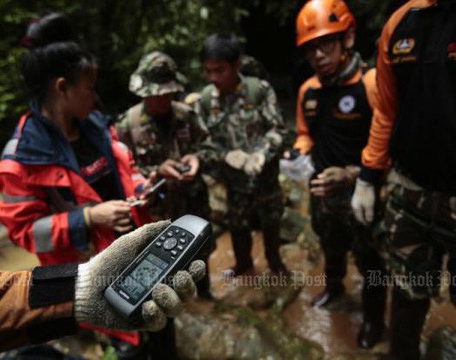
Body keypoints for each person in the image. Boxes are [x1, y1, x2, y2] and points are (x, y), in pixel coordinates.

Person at [0, 13, 170, 359]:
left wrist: (140, 187)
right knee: (125, 341)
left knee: (162, 322)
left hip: (139, 253)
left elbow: (124, 170)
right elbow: (25, 232)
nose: (95, 95)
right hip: (91, 276)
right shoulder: (19, 161)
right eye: (89, 87)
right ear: (62, 88)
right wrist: (89, 219)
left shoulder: (97, 127)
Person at [0, 220, 206, 358]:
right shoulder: (24, 155)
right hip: (64, 262)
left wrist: (78, 289)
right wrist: (88, 215)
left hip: (72, 282)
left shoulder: (96, 127)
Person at [351, 1, 456, 359]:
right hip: (409, 189)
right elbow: (387, 108)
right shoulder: (401, 23)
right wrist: (368, 175)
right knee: (408, 290)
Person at [291, 0, 387, 349]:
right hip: (322, 193)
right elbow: (305, 133)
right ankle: (334, 289)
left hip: (365, 192)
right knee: (330, 246)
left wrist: (350, 175)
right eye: (311, 48)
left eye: (325, 43)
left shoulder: (373, 83)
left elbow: (390, 144)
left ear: (347, 38)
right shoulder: (309, 91)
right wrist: (299, 151)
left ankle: (375, 321)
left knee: (372, 261)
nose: (318, 55)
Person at [117, 51, 213, 299]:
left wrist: (197, 159)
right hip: (157, 215)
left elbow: (210, 148)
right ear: (143, 91)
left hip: (193, 206)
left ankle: (205, 299)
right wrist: (157, 171)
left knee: (201, 259)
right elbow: (125, 174)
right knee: (161, 267)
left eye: (167, 93)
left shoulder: (186, 115)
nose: (161, 99)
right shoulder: (127, 125)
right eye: (155, 94)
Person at [195, 33, 288, 277]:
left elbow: (279, 130)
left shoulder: (259, 91)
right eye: (208, 71)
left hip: (266, 180)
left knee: (272, 222)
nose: (213, 78)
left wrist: (261, 154)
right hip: (234, 184)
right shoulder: (205, 101)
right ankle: (244, 265)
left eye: (220, 70)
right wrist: (225, 155)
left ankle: (275, 264)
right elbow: (202, 145)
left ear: (236, 65)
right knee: (238, 226)